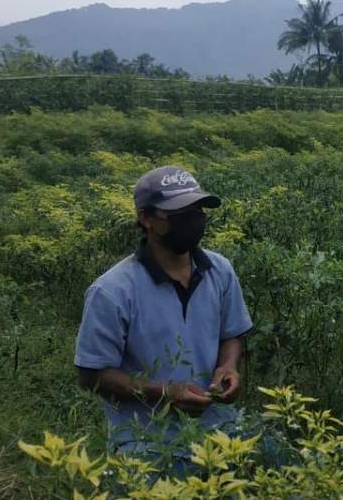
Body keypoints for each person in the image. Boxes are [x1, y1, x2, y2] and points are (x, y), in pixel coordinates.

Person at [74, 165, 253, 462]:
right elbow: (92, 376)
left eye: (198, 212)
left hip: (222, 433)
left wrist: (229, 366)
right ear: (146, 218)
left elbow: (231, 334)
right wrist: (164, 392)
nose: (193, 222)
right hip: (148, 446)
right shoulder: (112, 291)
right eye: (180, 215)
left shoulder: (219, 271)